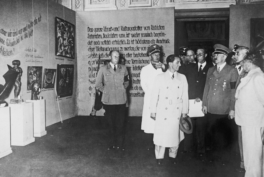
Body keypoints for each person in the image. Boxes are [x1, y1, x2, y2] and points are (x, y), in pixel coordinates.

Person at [150, 55, 188, 165]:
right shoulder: (160, 77)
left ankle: (173, 156)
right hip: (163, 110)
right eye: (177, 62)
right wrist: (153, 110)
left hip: (176, 111)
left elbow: (185, 95)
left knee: (174, 136)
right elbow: (154, 96)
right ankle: (159, 157)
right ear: (170, 64)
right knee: (161, 136)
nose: (180, 64)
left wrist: (184, 112)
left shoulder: (182, 77)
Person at [202, 44, 239, 153]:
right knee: (211, 134)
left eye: (218, 54)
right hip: (211, 107)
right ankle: (212, 159)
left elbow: (233, 91)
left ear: (224, 56)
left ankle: (222, 160)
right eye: (214, 54)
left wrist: (232, 108)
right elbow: (206, 87)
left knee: (222, 136)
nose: (215, 56)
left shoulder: (232, 70)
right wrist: (204, 103)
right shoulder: (210, 70)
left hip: (224, 108)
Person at [234, 54, 264, 177]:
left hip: (254, 122)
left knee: (253, 155)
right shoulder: (251, 76)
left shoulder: (258, 77)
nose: (242, 65)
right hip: (248, 121)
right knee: (250, 154)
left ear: (249, 62)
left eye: (243, 62)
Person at [95, 50, 129, 151]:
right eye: (114, 56)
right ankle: (111, 144)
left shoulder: (123, 68)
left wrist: (123, 88)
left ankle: (120, 144)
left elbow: (127, 81)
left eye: (118, 56)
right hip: (108, 101)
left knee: (120, 123)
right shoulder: (103, 69)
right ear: (110, 57)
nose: (116, 58)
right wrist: (105, 91)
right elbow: (98, 84)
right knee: (110, 123)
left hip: (121, 100)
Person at [140, 44, 165, 150]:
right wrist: (154, 94)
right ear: (150, 56)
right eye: (154, 54)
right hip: (151, 99)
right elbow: (144, 85)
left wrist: (164, 68)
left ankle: (160, 145)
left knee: (161, 125)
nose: (157, 56)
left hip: (162, 100)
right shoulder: (145, 69)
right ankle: (152, 146)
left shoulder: (164, 68)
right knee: (151, 125)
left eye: (158, 54)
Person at [232, 45, 249, 171]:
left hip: (248, 112)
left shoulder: (250, 73)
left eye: (238, 53)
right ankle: (243, 162)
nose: (235, 55)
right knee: (241, 137)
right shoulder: (239, 70)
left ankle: (247, 164)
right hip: (240, 111)